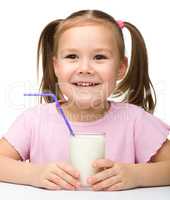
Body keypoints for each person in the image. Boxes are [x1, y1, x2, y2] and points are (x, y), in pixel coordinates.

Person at [0, 9, 170, 192]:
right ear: (56, 66)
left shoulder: (135, 121)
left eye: (99, 57)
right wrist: (34, 174)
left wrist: (136, 175)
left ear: (121, 68)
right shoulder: (34, 120)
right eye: (72, 57)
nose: (85, 68)